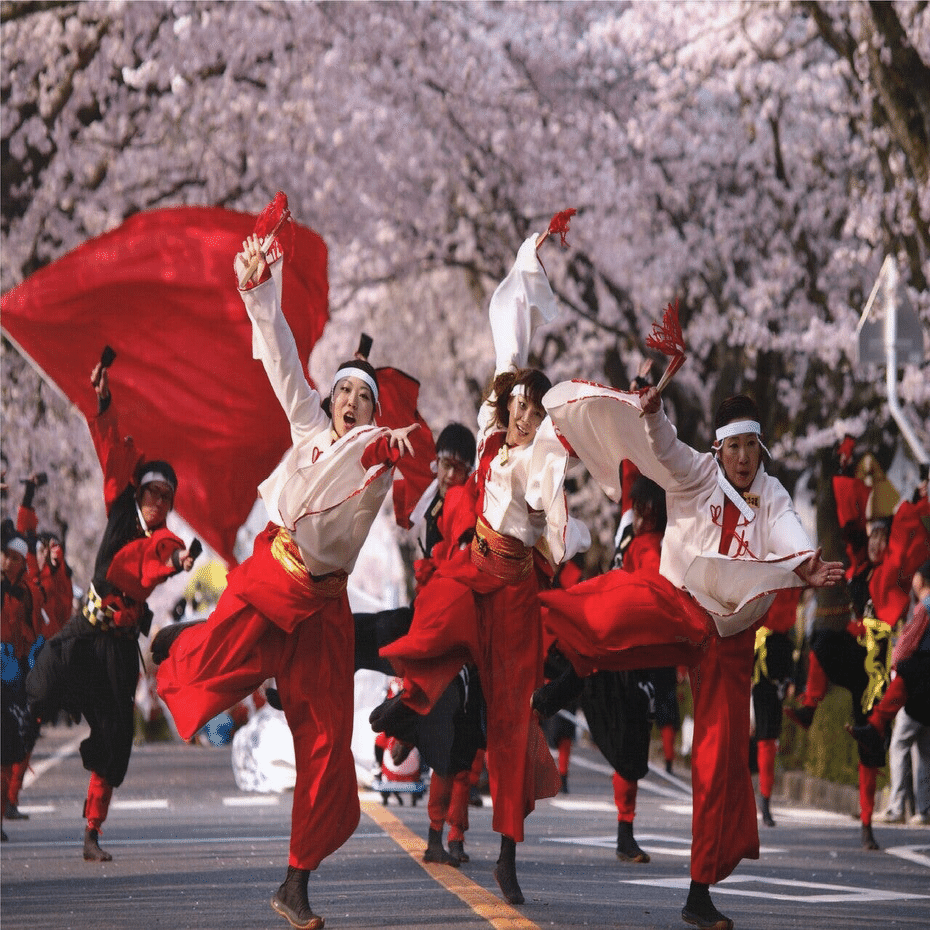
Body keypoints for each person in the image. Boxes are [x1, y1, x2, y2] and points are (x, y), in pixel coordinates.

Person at [154, 228, 419, 930]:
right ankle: (176, 648)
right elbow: (281, 359)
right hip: (276, 575)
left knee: (328, 744)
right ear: (330, 400)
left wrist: (393, 451)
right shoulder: (308, 425)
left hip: (323, 610)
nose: (351, 403)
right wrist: (257, 290)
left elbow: (381, 500)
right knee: (218, 662)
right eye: (344, 393)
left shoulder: (378, 461)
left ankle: (296, 881)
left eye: (364, 397)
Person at [534, 382, 843, 930]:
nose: (743, 458)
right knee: (613, 614)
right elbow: (665, 446)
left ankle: (698, 894)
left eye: (752, 445)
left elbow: (791, 533)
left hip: (730, 642)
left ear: (761, 450)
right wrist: (652, 413)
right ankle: (556, 672)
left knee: (720, 763)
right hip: (683, 609)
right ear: (719, 449)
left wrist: (804, 564)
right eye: (734, 447)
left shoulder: (771, 494)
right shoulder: (696, 473)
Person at [371, 218, 590, 906]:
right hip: (471, 572)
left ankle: (507, 854)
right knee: (429, 626)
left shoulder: (538, 463)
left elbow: (550, 508)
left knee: (507, 719)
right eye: (516, 406)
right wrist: (528, 259)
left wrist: (558, 514)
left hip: (516, 593)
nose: (520, 414)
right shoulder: (494, 439)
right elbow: (509, 349)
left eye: (532, 408)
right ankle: (408, 704)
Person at [25, 357, 198, 862]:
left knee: (115, 737)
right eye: (152, 492)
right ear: (139, 491)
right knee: (43, 680)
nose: (157, 501)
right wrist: (103, 400)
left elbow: (166, 555)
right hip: (87, 628)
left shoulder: (164, 537)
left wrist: (183, 559)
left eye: (166, 496)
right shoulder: (120, 506)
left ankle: (92, 832)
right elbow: (109, 449)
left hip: (119, 649)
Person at [787, 474, 929, 848]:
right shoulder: (859, 566)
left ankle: (867, 825)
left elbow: (907, 535)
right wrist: (847, 465)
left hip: (879, 662)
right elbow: (850, 516)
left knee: (869, 747)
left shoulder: (895, 571)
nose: (879, 543)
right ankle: (809, 707)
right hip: (856, 650)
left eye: (884, 538)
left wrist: (914, 499)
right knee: (823, 640)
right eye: (875, 537)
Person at [846, 557, 930, 824]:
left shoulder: (925, 607)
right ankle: (923, 809)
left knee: (900, 743)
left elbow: (907, 643)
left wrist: (897, 663)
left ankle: (896, 807)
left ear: (921, 579)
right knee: (925, 748)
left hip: (919, 683)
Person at [1, 528, 42, 842]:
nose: (8, 562)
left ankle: (2, 810)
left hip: (14, 675)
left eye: (15, 558)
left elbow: (36, 631)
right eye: (6, 556)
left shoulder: (27, 592)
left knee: (10, 749)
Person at [751, 587, 802, 827]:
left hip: (775, 674)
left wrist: (791, 679)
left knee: (768, 742)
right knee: (759, 741)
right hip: (756, 674)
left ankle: (766, 800)